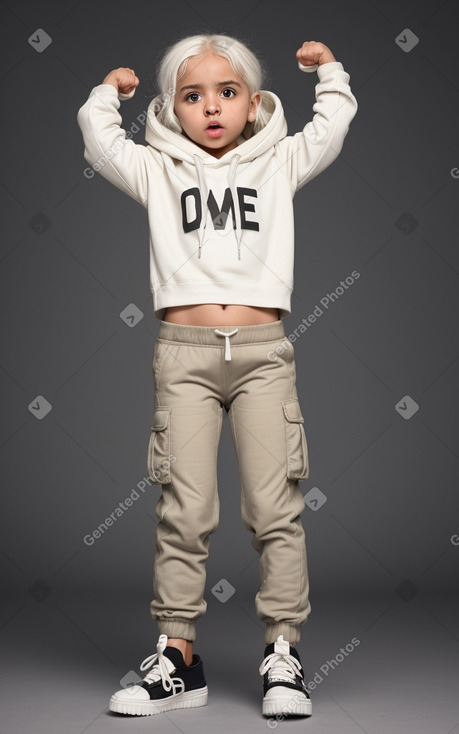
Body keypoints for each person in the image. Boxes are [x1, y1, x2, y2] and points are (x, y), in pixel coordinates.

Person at [77, 31, 358, 719]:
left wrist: (328, 72)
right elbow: (99, 139)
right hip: (184, 357)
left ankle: (282, 655)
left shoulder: (279, 162)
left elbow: (333, 124)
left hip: (264, 354)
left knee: (274, 508)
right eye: (192, 95)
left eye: (226, 93)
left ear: (254, 103)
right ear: (172, 110)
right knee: (184, 507)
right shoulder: (157, 170)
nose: (210, 107)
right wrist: (107, 94)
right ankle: (178, 659)